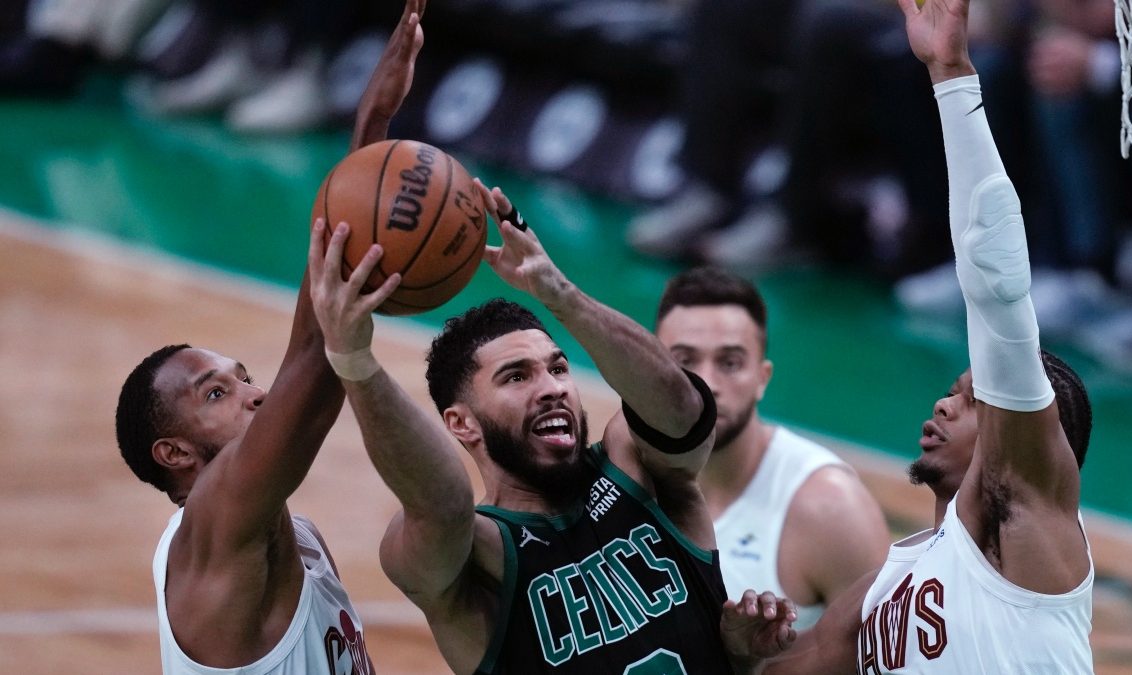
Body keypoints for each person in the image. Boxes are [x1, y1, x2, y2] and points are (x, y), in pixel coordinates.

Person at [308, 177, 797, 672]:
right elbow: (439, 503)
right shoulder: (477, 554)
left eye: (558, 368)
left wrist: (557, 291)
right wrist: (354, 361)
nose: (552, 387)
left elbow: (684, 413)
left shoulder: (637, 468)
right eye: (516, 376)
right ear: (463, 424)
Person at [757, 0, 1096, 670]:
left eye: (973, 401)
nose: (944, 404)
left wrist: (952, 74)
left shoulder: (1024, 505)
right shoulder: (889, 584)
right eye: (953, 392)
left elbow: (998, 292)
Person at [112, 2, 425, 671]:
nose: (256, 394)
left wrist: (370, 127)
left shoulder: (295, 536)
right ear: (175, 452)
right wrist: (368, 131)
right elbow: (313, 366)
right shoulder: (214, 529)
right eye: (217, 392)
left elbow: (304, 356)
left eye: (243, 375)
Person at [654, 267, 890, 626]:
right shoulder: (623, 479)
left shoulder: (829, 508)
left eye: (730, 363)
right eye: (685, 361)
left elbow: (888, 658)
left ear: (762, 379)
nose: (707, 383)